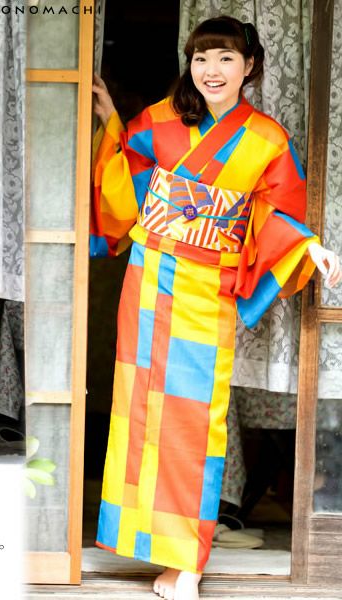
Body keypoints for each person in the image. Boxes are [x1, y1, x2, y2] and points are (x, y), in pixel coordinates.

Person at [91, 16, 341, 600]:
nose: (211, 70)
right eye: (201, 58)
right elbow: (126, 173)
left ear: (249, 66)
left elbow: (277, 215)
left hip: (207, 289)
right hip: (149, 279)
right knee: (139, 408)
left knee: (193, 419)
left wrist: (308, 245)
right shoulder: (162, 119)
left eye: (225, 58)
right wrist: (110, 122)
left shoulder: (267, 140)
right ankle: (146, 540)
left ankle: (188, 560)